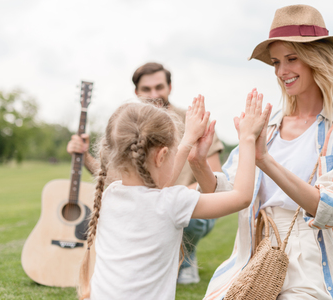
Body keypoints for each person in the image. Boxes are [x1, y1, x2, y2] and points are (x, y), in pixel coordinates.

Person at [196, 5, 333, 300]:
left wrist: (264, 159)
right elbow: (224, 191)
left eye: (292, 59)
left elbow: (330, 207)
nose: (281, 71)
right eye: (276, 62)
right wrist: (198, 160)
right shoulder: (268, 125)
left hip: (311, 256)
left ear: (317, 60)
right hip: (258, 249)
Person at [77, 95, 272, 299]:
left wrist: (187, 141)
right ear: (161, 157)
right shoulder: (173, 202)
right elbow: (240, 197)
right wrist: (248, 138)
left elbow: (157, 185)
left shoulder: (112, 193)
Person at [67, 62, 224, 284]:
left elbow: (216, 181)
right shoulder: (131, 126)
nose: (154, 94)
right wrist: (84, 156)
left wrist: (172, 195)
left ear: (170, 87)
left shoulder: (193, 123)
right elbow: (116, 180)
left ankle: (186, 257)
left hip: (189, 203)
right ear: (136, 92)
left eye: (159, 87)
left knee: (173, 208)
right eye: (146, 89)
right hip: (148, 203)